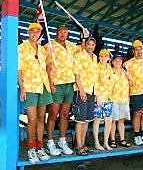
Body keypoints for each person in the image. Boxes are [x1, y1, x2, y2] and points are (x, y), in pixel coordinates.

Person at [46, 25, 88, 156]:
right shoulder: (49, 45)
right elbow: (47, 65)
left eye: (65, 32)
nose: (63, 34)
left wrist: (84, 37)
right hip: (57, 84)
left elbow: (83, 48)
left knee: (65, 115)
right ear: (56, 33)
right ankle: (50, 142)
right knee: (53, 114)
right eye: (60, 32)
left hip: (69, 84)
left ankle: (62, 142)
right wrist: (50, 83)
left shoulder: (70, 46)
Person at [18, 23, 53, 164]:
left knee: (40, 118)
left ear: (40, 33)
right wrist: (22, 88)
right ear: (28, 33)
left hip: (43, 86)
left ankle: (40, 147)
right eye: (32, 32)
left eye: (37, 32)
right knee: (31, 119)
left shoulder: (43, 50)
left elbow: (49, 67)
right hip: (30, 86)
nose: (34, 34)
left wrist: (50, 54)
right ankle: (31, 148)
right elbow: (19, 70)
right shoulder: (22, 48)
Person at [73, 36, 98, 156]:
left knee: (87, 120)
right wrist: (81, 91)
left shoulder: (95, 57)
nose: (91, 46)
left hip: (92, 91)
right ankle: (78, 146)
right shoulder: (79, 55)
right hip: (82, 91)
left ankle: (83, 144)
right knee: (80, 119)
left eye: (93, 45)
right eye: (89, 44)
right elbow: (77, 75)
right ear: (85, 44)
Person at [110, 53, 132, 148]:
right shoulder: (110, 71)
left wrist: (129, 78)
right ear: (112, 62)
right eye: (116, 60)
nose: (118, 62)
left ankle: (122, 139)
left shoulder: (125, 72)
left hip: (124, 99)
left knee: (121, 119)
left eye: (119, 60)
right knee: (113, 120)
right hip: (113, 98)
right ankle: (112, 139)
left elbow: (131, 84)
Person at [93, 49, 114, 151]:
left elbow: (111, 82)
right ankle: (97, 143)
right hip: (99, 97)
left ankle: (106, 142)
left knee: (109, 120)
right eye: (101, 56)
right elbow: (95, 82)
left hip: (108, 97)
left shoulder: (109, 68)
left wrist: (111, 95)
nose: (103, 58)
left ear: (109, 58)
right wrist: (98, 96)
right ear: (99, 57)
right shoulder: (96, 67)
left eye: (105, 56)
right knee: (97, 120)